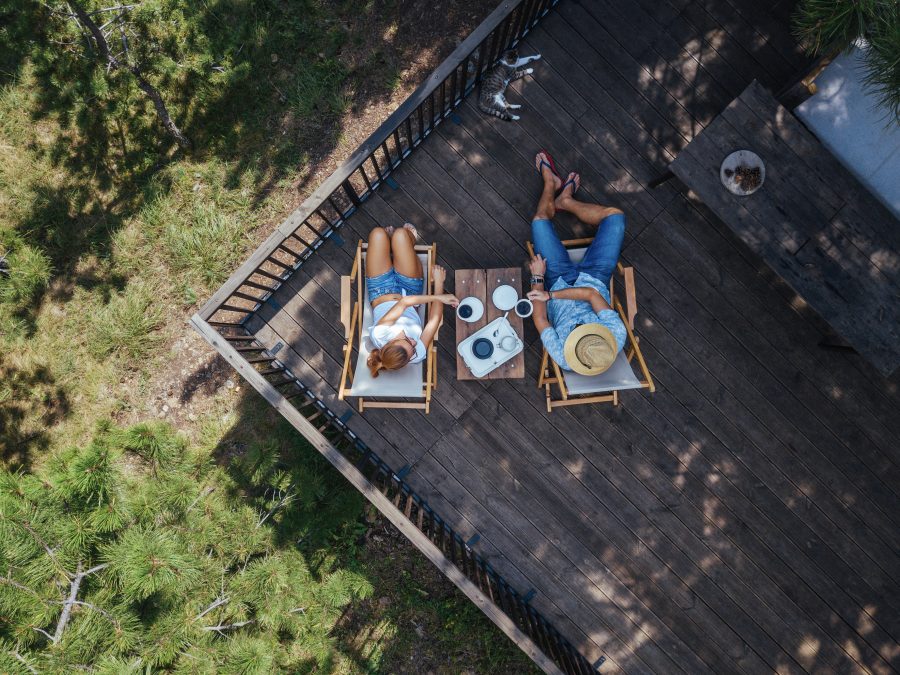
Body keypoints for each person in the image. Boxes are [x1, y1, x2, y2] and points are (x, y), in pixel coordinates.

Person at [526, 151, 628, 376]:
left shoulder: (564, 357)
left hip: (555, 279)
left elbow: (541, 319)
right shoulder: (616, 334)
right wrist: (550, 297)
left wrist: (538, 279)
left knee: (540, 222)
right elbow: (591, 294)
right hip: (595, 277)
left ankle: (550, 184)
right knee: (615, 217)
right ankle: (567, 201)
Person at [365, 224, 458, 377]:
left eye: (408, 341)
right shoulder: (417, 354)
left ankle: (391, 247)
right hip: (409, 287)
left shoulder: (379, 335)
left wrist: (438, 297)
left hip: (379, 288)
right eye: (413, 349)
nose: (414, 342)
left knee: (377, 233)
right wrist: (439, 283)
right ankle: (406, 242)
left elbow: (404, 303)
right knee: (401, 234)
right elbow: (434, 320)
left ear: (389, 343)